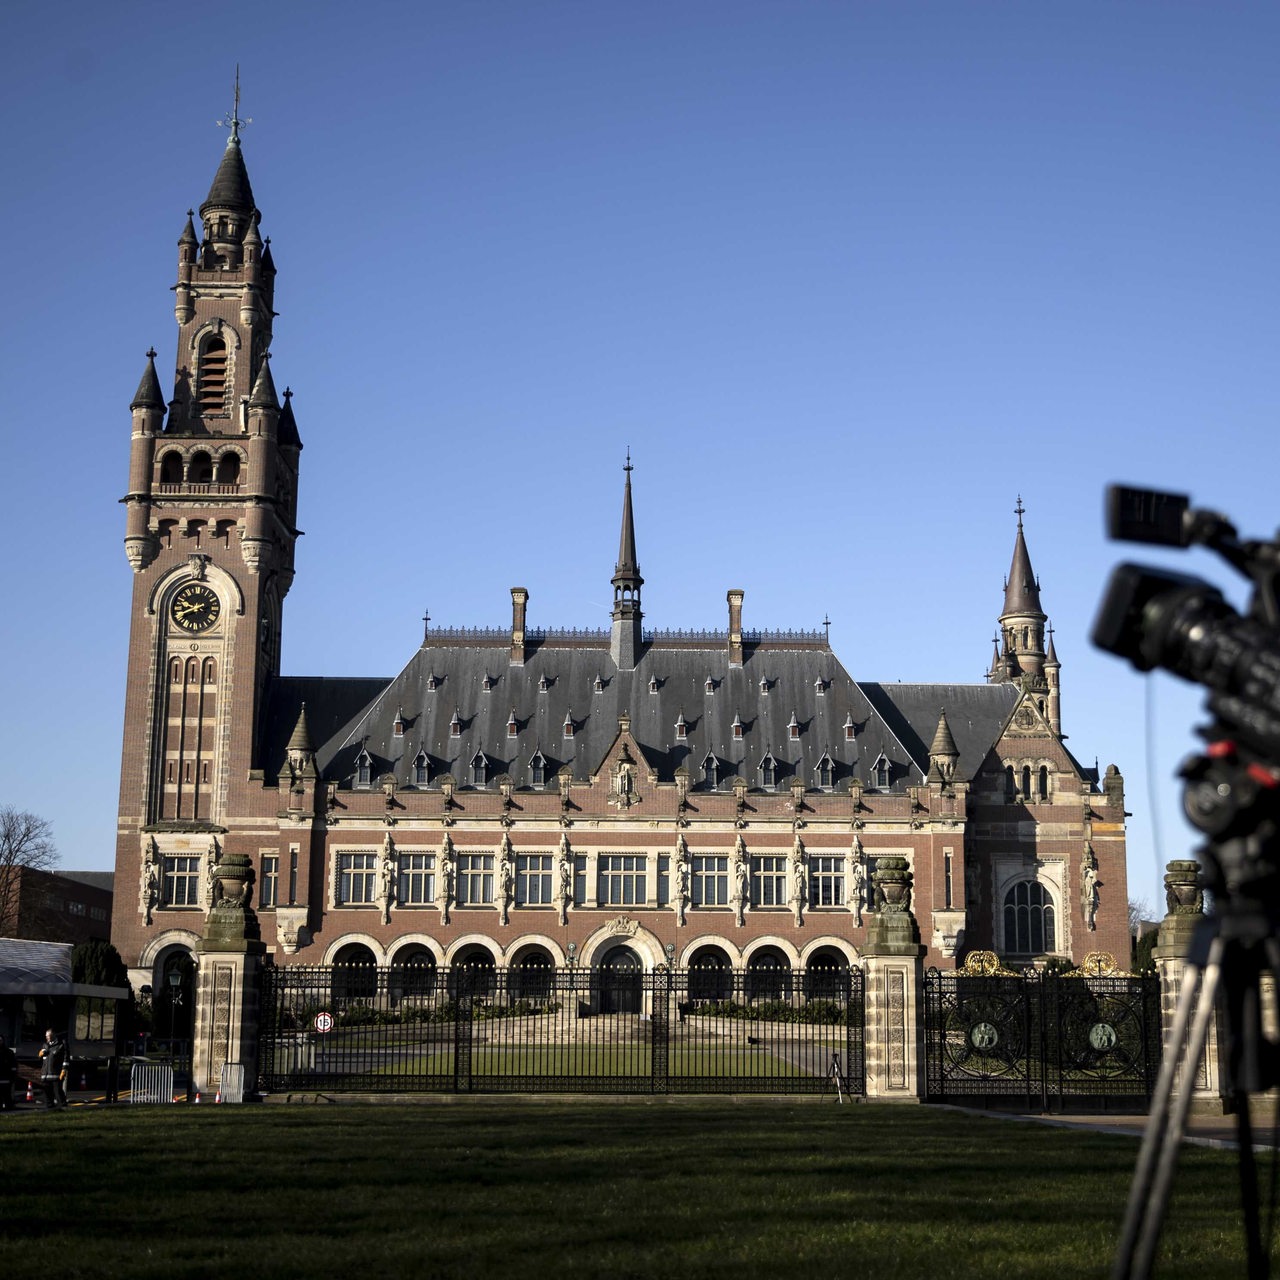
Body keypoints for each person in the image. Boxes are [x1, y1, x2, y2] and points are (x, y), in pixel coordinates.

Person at [39, 1028, 68, 1109]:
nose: (47, 1037)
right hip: (45, 1074)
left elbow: (66, 1058)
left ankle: (63, 1106)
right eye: (46, 1036)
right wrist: (40, 1056)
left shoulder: (61, 1044)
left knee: (58, 1092)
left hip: (56, 1074)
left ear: (53, 1035)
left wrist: (64, 1069)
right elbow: (43, 1060)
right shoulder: (45, 1045)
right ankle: (49, 1107)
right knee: (47, 1092)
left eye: (48, 1036)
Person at [0, 1034, 16, 1110]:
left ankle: (9, 1109)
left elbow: (14, 1066)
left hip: (6, 1079)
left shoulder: (9, 1052)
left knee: (7, 1096)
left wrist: (12, 1077)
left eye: (0, 1040)